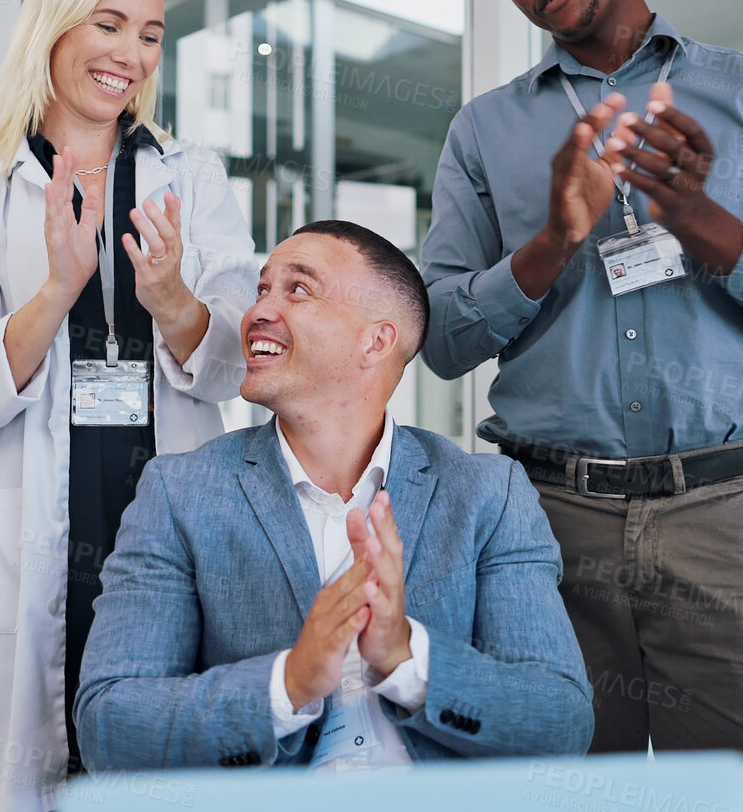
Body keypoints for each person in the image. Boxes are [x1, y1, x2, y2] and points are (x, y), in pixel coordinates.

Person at [419, 0, 743, 753]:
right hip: (544, 526)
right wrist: (554, 238)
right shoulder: (483, 130)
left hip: (723, 516)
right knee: (564, 794)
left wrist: (703, 220)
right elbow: (438, 337)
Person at [0, 0, 256, 812]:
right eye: (108, 24)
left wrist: (172, 296)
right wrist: (58, 288)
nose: (130, 55)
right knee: (22, 781)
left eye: (149, 34)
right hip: (30, 518)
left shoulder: (193, 177)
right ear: (54, 27)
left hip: (158, 510)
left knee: (152, 772)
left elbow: (232, 366)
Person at [74, 220, 592, 769]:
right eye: (262, 289)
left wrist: (405, 659)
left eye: (297, 289)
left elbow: (560, 721)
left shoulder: (489, 493)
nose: (257, 313)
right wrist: (288, 685)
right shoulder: (179, 492)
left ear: (376, 341)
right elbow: (108, 726)